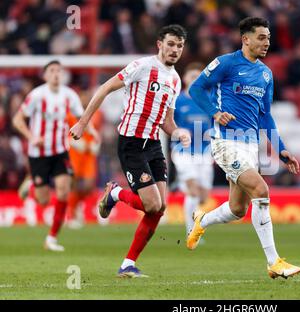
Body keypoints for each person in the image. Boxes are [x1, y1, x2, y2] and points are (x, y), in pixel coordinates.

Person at [69, 25, 191, 278]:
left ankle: (127, 264)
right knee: (152, 203)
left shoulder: (175, 80)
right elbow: (104, 88)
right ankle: (115, 193)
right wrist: (82, 122)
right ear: (160, 44)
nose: (175, 50)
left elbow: (167, 121)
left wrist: (178, 132)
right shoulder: (142, 66)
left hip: (154, 145)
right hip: (131, 143)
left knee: (160, 208)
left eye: (179, 46)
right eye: (171, 44)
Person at [187, 17, 300, 279]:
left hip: (250, 146)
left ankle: (201, 221)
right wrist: (215, 113)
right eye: (261, 37)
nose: (267, 43)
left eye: (269, 38)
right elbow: (196, 89)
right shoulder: (226, 63)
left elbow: (265, 116)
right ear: (245, 39)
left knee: (237, 209)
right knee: (261, 189)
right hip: (226, 142)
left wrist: (281, 149)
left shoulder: (265, 74)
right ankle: (274, 261)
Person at [13, 60, 93, 251]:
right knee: (43, 201)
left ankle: (51, 238)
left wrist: (94, 133)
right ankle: (32, 182)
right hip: (38, 153)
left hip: (60, 151)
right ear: (45, 75)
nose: (56, 74)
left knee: (64, 191)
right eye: (52, 70)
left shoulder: (69, 95)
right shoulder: (37, 95)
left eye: (59, 70)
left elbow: (82, 119)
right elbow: (17, 119)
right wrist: (32, 137)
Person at [171, 62, 214, 237]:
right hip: (183, 152)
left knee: (202, 197)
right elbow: (167, 125)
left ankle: (179, 184)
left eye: (199, 76)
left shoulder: (209, 100)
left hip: (204, 153)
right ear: (185, 79)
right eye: (192, 76)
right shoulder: (177, 101)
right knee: (193, 189)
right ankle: (191, 231)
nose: (195, 79)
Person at [66, 110, 102, 229]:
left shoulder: (97, 113)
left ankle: (77, 205)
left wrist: (96, 143)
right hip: (75, 154)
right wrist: (71, 141)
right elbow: (64, 130)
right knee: (73, 184)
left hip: (88, 155)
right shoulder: (70, 114)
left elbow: (98, 131)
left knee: (88, 186)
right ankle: (72, 214)